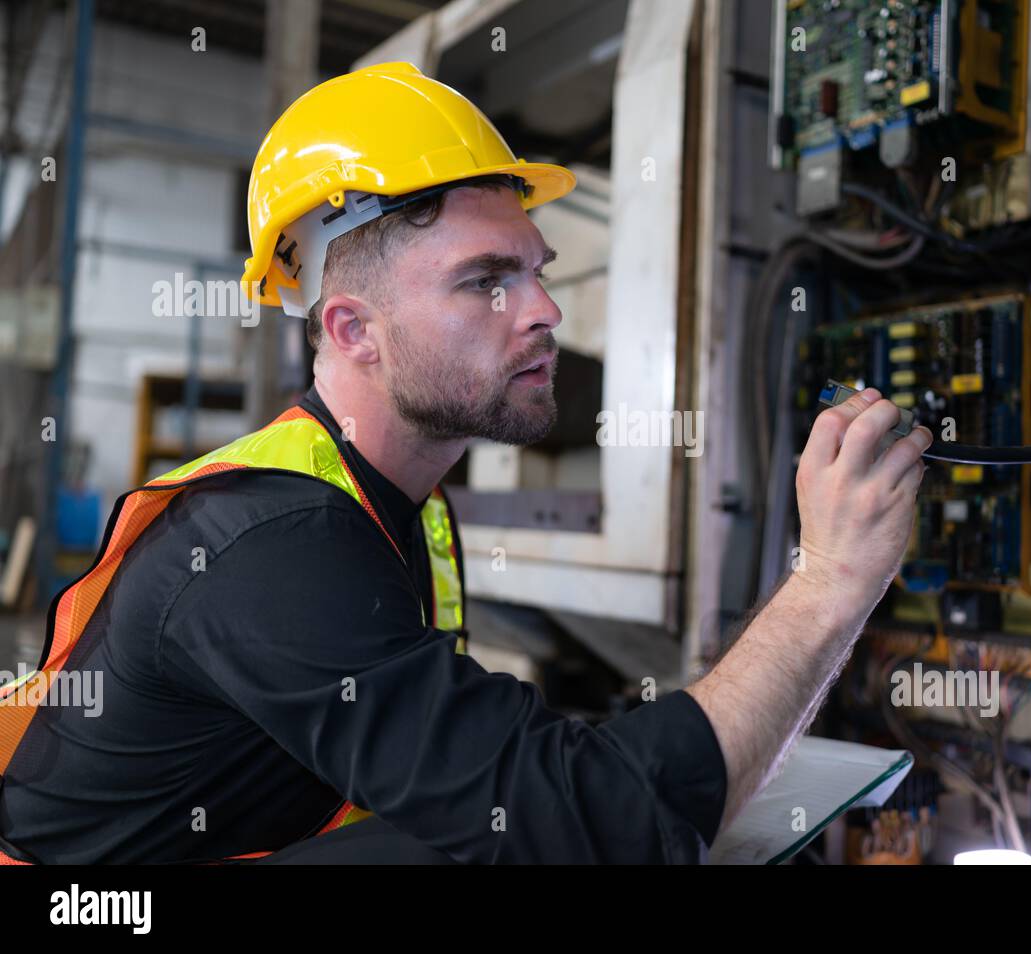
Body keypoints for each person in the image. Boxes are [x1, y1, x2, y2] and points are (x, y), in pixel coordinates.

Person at [0, 62, 931, 864]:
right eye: (487, 281)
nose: (543, 312)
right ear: (351, 329)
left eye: (535, 270)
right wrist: (833, 580)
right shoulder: (271, 545)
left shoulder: (386, 499)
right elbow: (598, 828)